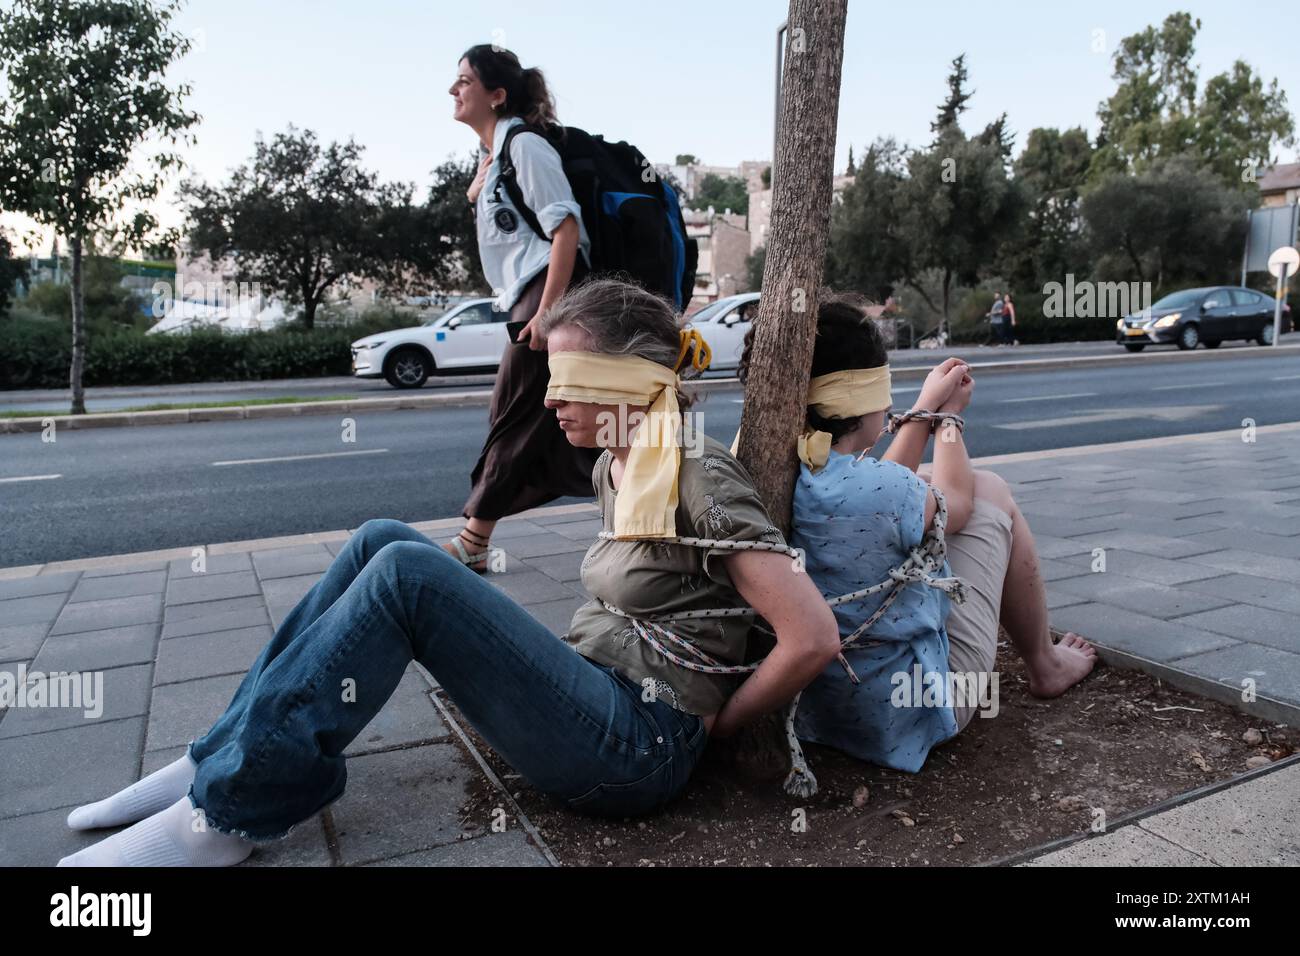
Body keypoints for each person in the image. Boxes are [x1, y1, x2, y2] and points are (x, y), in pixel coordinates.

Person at [57, 279, 841, 867]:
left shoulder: (698, 472)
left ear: (631, 379)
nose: (549, 401)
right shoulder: (622, 462)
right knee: (381, 536)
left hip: (640, 748)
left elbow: (810, 637)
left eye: (568, 381)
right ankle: (215, 757)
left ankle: (231, 814)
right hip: (595, 693)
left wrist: (717, 732)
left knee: (408, 575)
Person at [738, 296, 1095, 773]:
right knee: (991, 490)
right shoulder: (873, 488)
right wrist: (949, 419)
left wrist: (923, 410)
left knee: (924, 491)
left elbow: (884, 494)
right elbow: (959, 506)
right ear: (863, 399)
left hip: (822, 709)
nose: (889, 405)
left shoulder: (783, 466)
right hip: (908, 715)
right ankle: (1045, 665)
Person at [443, 44, 601, 571]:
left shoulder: (527, 148)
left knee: (512, 415)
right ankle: (646, 507)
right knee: (562, 426)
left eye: (464, 80)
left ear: (497, 94)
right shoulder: (498, 154)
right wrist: (481, 178)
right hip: (527, 298)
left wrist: (548, 313)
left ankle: (473, 541)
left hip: (548, 295)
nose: (453, 89)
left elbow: (566, 229)